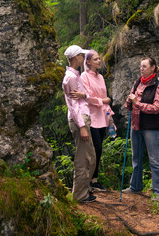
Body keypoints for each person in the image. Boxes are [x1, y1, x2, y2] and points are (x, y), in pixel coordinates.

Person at [123, 56, 159, 201]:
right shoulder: (137, 83)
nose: (141, 69)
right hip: (135, 126)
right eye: (141, 66)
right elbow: (129, 104)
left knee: (154, 159)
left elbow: (156, 108)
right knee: (136, 157)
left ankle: (158, 192)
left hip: (151, 127)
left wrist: (137, 103)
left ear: (153, 68)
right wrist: (129, 102)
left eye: (145, 66)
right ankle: (135, 186)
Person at [71, 49, 113, 191]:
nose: (99, 61)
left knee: (99, 150)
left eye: (99, 59)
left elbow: (104, 98)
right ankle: (87, 181)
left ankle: (94, 181)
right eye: (96, 59)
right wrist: (103, 100)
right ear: (87, 62)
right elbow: (87, 97)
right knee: (94, 149)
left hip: (102, 116)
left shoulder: (100, 77)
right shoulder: (84, 76)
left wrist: (110, 116)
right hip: (92, 116)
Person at [62, 45, 96, 203]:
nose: (84, 57)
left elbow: (84, 96)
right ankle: (79, 196)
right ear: (76, 57)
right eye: (82, 55)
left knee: (90, 157)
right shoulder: (71, 77)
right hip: (79, 120)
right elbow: (73, 106)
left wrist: (85, 95)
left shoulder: (75, 75)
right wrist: (82, 127)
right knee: (83, 159)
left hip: (82, 117)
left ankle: (84, 191)